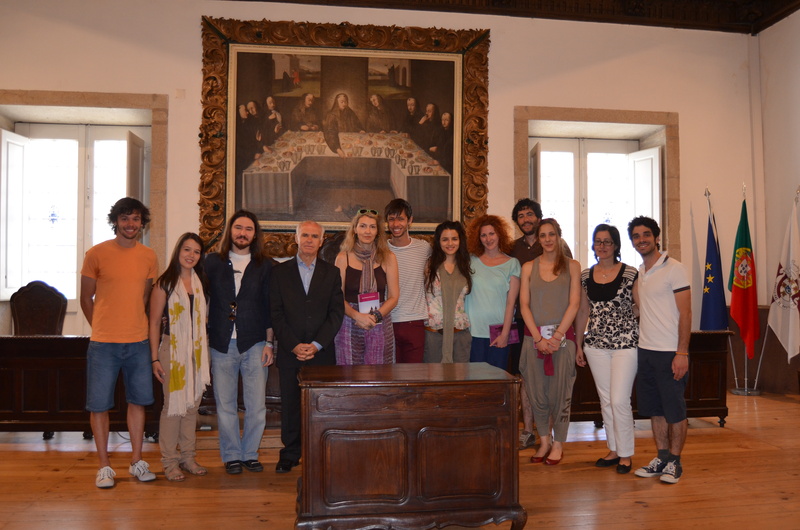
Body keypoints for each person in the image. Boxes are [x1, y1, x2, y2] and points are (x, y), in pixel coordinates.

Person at [79, 197, 158, 488]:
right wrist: (100, 325)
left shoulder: (149, 256)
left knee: (138, 402)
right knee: (99, 405)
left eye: (136, 219)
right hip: (103, 344)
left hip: (138, 342)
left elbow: (146, 299)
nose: (130, 224)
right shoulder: (96, 253)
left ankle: (137, 460)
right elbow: (86, 298)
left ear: (142, 223)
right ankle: (104, 466)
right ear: (116, 221)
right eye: (125, 219)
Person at [270, 221, 344, 473]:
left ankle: (318, 453)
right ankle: (290, 453)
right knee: (291, 405)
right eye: (305, 235)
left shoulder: (332, 273)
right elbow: (276, 313)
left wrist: (315, 344)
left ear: (321, 241)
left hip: (321, 352)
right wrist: (293, 345)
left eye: (315, 236)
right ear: (296, 238)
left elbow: (336, 314)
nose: (310, 240)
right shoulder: (280, 272)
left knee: (321, 405)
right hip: (291, 353)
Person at [205, 210, 274, 475]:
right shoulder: (212, 263)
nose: (242, 233)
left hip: (255, 342)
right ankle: (232, 454)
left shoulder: (266, 266)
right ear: (230, 231)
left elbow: (269, 307)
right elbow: (202, 300)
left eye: (248, 229)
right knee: (225, 405)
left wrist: (270, 343)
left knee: (257, 406)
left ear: (255, 234)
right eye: (238, 228)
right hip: (222, 343)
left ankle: (250, 453)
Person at [627, 216, 691, 484]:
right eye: (636, 236)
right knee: (655, 410)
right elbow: (642, 309)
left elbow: (686, 313)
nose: (641, 240)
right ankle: (662, 457)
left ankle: (675, 462)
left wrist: (682, 352)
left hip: (670, 352)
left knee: (674, 409)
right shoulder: (641, 272)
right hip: (646, 351)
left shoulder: (674, 269)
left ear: (656, 237)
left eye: (646, 235)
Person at [574, 224, 639, 474]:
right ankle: (613, 450)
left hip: (626, 344)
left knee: (620, 400)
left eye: (607, 242)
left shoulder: (630, 273)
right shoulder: (584, 276)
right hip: (596, 346)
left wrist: (624, 318)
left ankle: (626, 454)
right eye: (598, 242)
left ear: (616, 245)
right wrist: (579, 344)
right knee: (606, 400)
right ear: (593, 245)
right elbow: (582, 311)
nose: (602, 246)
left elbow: (640, 306)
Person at [509, 198, 574, 449]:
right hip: (523, 323)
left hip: (557, 327)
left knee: (555, 383)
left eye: (530, 214)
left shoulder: (561, 249)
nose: (526, 219)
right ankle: (529, 430)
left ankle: (549, 434)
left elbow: (569, 289)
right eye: (521, 216)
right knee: (526, 377)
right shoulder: (513, 249)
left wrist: (562, 333)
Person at [148, 233, 210, 482]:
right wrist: (154, 359)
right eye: (187, 249)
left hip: (197, 351)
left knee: (192, 406)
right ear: (178, 251)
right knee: (173, 407)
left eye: (196, 251)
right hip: (171, 351)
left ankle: (187, 457)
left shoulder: (201, 281)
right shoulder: (164, 283)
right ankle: (169, 462)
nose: (191, 255)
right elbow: (153, 323)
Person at [519, 218, 581, 466]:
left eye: (551, 234)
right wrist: (538, 338)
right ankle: (543, 440)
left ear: (558, 235)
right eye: (542, 235)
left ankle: (558, 443)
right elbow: (523, 305)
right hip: (533, 341)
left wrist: (556, 337)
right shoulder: (527, 268)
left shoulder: (573, 266)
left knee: (561, 396)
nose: (547, 239)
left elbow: (574, 304)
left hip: (562, 342)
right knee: (537, 395)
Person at [334, 209, 399, 365]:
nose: (367, 231)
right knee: (348, 373)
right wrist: (358, 316)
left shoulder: (389, 257)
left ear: (378, 232)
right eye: (363, 226)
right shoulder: (343, 258)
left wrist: (375, 317)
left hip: (380, 320)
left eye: (372, 227)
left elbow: (394, 297)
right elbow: (337, 297)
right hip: (349, 321)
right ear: (355, 230)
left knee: (379, 375)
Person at [465, 214, 520, 371]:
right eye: (483, 235)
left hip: (498, 333)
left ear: (500, 234)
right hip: (473, 332)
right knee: (474, 381)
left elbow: (511, 303)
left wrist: (505, 333)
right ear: (478, 237)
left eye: (491, 233)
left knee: (496, 382)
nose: (488, 239)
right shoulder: (470, 261)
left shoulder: (512, 264)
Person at [385, 199, 431, 363]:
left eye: (401, 219)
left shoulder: (424, 248)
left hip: (415, 321)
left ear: (410, 221)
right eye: (391, 219)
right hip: (387, 322)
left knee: (413, 375)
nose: (396, 224)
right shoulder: (381, 249)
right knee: (389, 375)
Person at [423, 221, 473, 363]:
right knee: (434, 383)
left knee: (460, 383)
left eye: (454, 239)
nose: (450, 243)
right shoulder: (428, 266)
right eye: (445, 239)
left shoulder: (467, 266)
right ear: (438, 242)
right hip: (434, 337)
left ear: (460, 241)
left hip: (460, 336)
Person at [323, 92, 365, 158]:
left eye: (345, 102)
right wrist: (337, 149)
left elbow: (356, 125)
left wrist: (359, 130)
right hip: (338, 143)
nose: (344, 104)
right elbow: (330, 133)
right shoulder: (331, 115)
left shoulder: (350, 112)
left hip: (351, 142)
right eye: (342, 102)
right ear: (337, 103)